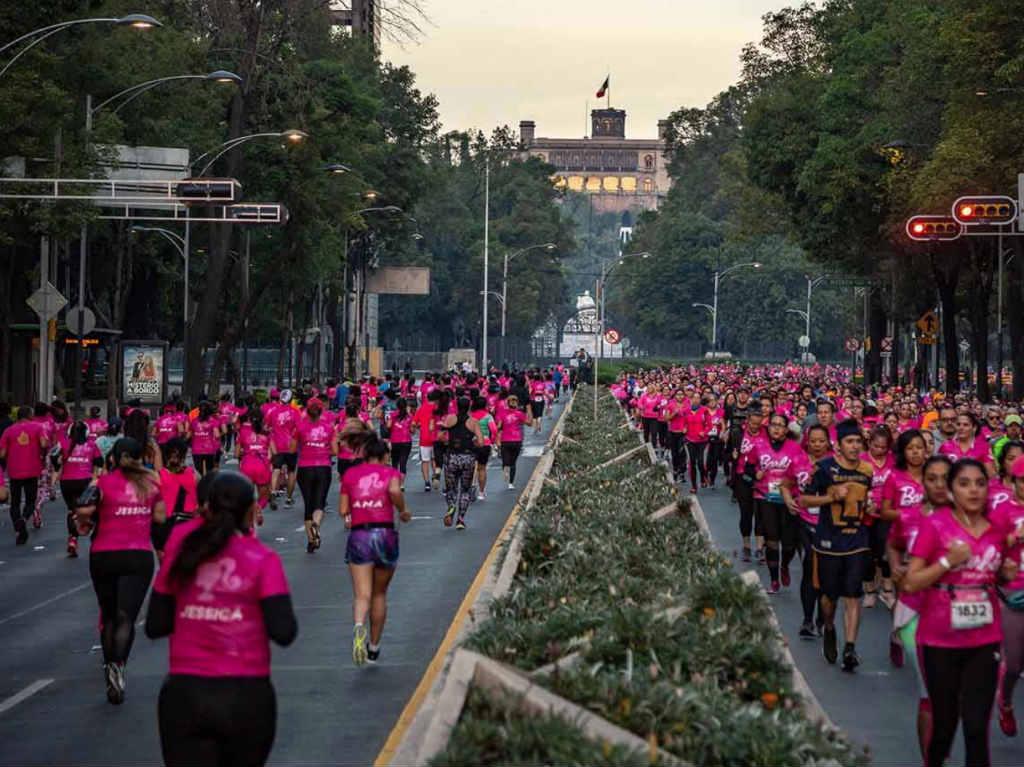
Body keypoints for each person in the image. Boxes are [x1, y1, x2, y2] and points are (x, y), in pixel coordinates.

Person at [146, 471, 297, 766]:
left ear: (206, 508)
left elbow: (156, 624)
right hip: (246, 696)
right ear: (251, 511)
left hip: (186, 694)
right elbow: (284, 631)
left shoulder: (182, 548)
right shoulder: (261, 559)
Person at [904, 458, 1017, 767]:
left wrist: (1006, 574)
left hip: (984, 639)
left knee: (977, 729)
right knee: (945, 726)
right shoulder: (936, 525)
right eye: (964, 484)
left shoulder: (997, 530)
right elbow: (911, 581)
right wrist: (946, 562)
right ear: (951, 490)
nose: (973, 490)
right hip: (940, 641)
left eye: (980, 483)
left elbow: (999, 576)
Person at [74, 438, 166, 704]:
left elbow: (84, 507)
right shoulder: (151, 483)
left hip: (103, 555)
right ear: (140, 458)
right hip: (137, 556)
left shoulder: (101, 483)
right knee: (126, 617)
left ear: (113, 458)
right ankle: (118, 665)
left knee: (110, 615)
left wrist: (85, 522)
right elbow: (160, 517)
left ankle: (108, 663)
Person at [886, 455, 950, 761]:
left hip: (960, 615)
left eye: (945, 478)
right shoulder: (909, 515)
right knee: (930, 693)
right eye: (932, 478)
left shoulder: (974, 518)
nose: (939, 484)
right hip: (915, 611)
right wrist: (897, 565)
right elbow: (894, 544)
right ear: (921, 482)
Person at [799, 418, 874, 672]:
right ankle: (829, 627)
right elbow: (803, 499)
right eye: (849, 442)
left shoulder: (867, 470)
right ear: (838, 445)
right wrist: (830, 496)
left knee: (853, 594)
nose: (855, 446)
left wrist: (871, 507)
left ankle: (850, 647)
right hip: (828, 541)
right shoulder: (824, 468)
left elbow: (870, 499)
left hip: (857, 540)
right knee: (829, 597)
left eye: (858, 442)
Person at [339, 433, 411, 664]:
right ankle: (373, 647)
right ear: (383, 456)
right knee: (379, 594)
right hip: (385, 534)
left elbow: (343, 511)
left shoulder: (350, 475)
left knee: (362, 594)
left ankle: (359, 625)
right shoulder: (391, 473)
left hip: (359, 535)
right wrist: (402, 510)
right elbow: (394, 492)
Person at [745, 412, 804, 593]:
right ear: (768, 427)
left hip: (788, 499)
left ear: (786, 430)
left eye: (780, 425)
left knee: (788, 545)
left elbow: (803, 470)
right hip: (766, 497)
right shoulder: (759, 445)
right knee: (771, 541)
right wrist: (755, 474)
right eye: (773, 425)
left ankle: (784, 565)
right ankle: (774, 580)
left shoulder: (795, 448)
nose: (776, 428)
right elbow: (748, 467)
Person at [989, 454, 1024, 737]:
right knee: (1013, 662)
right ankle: (1006, 701)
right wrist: (1014, 537)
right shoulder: (1002, 509)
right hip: (1013, 592)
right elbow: (988, 548)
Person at [0, 406, 49, 544]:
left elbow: (2, 454)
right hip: (32, 469)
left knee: (15, 503)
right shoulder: (38, 427)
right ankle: (23, 520)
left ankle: (19, 528)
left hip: (14, 470)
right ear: (29, 415)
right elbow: (44, 443)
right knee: (30, 501)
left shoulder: (8, 431)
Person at [295, 398, 337, 553]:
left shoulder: (299, 427)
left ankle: (311, 540)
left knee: (308, 504)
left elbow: (293, 448)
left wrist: (306, 446)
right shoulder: (329, 428)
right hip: (323, 467)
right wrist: (322, 448)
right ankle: (316, 525)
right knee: (320, 502)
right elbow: (335, 451)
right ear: (321, 411)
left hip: (305, 468)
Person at [861, 425, 896, 609]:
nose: (880, 450)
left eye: (884, 447)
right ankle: (869, 589)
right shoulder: (862, 461)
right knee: (867, 553)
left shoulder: (894, 461)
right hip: (865, 514)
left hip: (887, 513)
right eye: (876, 446)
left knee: (886, 551)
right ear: (869, 444)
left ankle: (888, 589)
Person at [59, 421, 103, 558]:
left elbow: (56, 459)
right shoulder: (91, 445)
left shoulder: (64, 444)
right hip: (85, 481)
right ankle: (95, 537)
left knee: (72, 511)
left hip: (66, 482)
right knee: (93, 510)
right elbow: (99, 462)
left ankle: (73, 539)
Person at [439, 396, 484, 530]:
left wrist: (447, 442)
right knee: (465, 490)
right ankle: (460, 519)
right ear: (469, 407)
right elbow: (481, 442)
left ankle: (451, 506)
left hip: (452, 457)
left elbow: (440, 436)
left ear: (457, 406)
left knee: (450, 488)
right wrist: (472, 443)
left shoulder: (450, 419)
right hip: (467, 458)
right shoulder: (473, 422)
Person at [735, 403, 767, 563]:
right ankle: (746, 546)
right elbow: (730, 453)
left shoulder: (766, 434)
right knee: (746, 514)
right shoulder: (738, 433)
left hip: (762, 479)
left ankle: (760, 548)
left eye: (758, 424)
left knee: (760, 514)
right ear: (747, 421)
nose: (755, 427)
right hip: (743, 478)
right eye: (752, 424)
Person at [236, 413, 275, 521]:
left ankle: (247, 517)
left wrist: (247, 451)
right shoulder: (268, 434)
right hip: (262, 466)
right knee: (264, 496)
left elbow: (236, 454)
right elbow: (274, 451)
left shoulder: (242, 433)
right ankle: (258, 508)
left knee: (245, 495)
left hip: (247, 465)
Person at [497, 395, 532, 490]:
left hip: (505, 440)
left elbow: (499, 427)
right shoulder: (520, 414)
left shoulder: (502, 414)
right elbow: (529, 423)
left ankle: (505, 470)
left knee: (505, 461)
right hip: (517, 440)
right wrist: (529, 416)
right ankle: (511, 484)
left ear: (507, 404)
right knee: (513, 463)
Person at [470, 395, 496, 500]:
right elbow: (493, 430)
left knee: (472, 468)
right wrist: (492, 441)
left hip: (473, 443)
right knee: (482, 468)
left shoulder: (471, 416)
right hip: (485, 444)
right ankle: (481, 492)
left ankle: (471, 487)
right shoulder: (488, 416)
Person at [386, 398, 413, 491]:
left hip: (395, 441)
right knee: (403, 462)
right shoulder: (409, 416)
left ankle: (394, 483)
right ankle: (401, 485)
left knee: (394, 463)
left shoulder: (392, 415)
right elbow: (412, 430)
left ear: (397, 406)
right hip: (406, 441)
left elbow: (388, 426)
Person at [188, 402, 222, 477]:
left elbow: (188, 435)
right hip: (209, 449)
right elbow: (217, 435)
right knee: (209, 473)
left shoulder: (194, 421)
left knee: (198, 473)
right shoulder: (213, 420)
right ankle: (208, 487)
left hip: (196, 450)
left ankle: (200, 487)